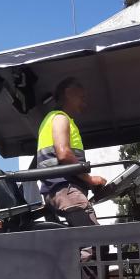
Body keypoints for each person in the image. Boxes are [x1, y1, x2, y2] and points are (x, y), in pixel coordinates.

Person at [35, 78, 109, 227]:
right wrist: (90, 179)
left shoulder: (52, 119)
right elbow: (64, 154)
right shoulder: (60, 118)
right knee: (95, 243)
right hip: (65, 189)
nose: (85, 103)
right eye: (82, 97)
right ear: (68, 93)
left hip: (59, 189)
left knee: (92, 243)